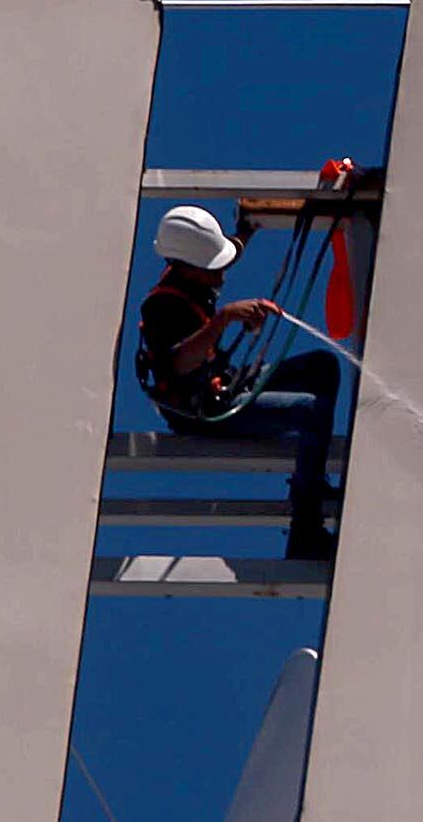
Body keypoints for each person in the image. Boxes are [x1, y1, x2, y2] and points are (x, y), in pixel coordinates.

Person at [135, 205, 341, 562]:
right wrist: (226, 319)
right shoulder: (161, 308)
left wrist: (247, 230)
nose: (221, 276)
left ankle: (314, 479)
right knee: (309, 411)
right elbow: (178, 365)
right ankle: (306, 529)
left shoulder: (190, 269)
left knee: (322, 366)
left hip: (223, 384)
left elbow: (224, 254)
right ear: (188, 268)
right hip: (203, 409)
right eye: (212, 269)